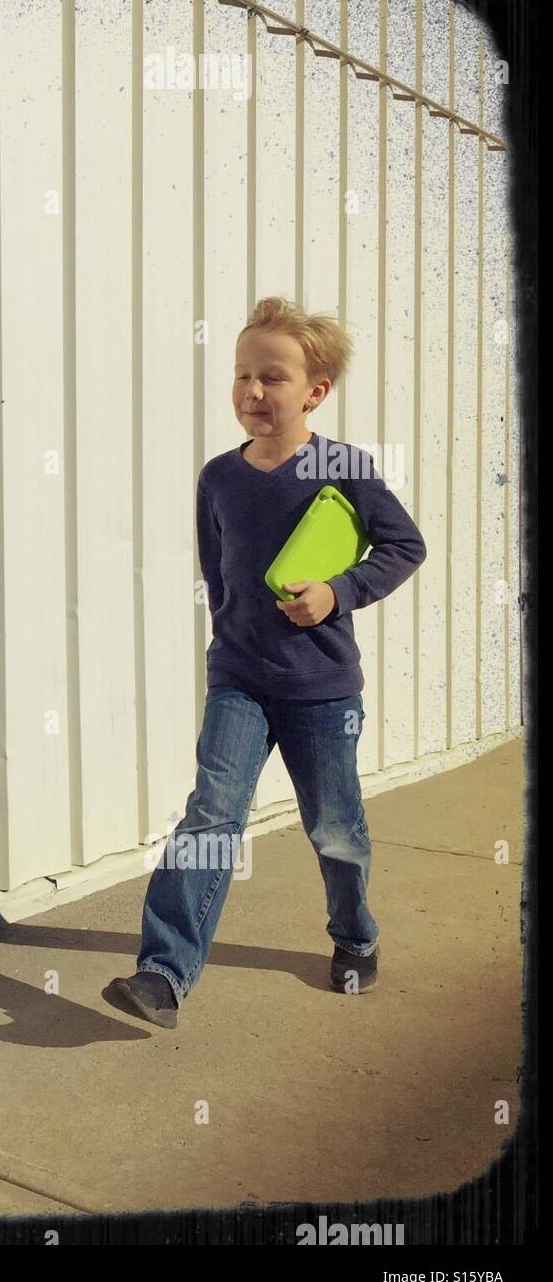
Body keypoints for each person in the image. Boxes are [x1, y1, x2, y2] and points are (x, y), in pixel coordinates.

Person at [107, 296, 427, 1030]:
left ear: (315, 390)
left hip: (321, 688)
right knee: (209, 817)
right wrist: (229, 648)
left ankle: (356, 939)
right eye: (243, 374)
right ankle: (161, 974)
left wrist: (338, 593)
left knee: (335, 827)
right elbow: (218, 572)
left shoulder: (342, 466)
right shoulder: (219, 476)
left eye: (273, 377)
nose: (254, 391)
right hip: (240, 682)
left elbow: (404, 547)